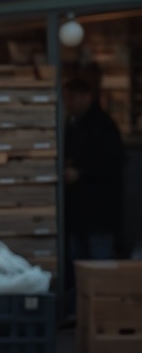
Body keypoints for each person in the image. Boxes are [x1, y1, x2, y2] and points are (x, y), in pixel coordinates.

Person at [63, 76, 126, 310]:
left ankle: (105, 313)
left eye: (71, 97)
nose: (68, 102)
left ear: (86, 97)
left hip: (99, 211)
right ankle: (84, 313)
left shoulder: (103, 126)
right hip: (79, 213)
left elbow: (113, 162)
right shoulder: (72, 124)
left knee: (100, 266)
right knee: (78, 264)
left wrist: (81, 173)